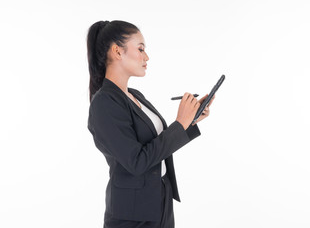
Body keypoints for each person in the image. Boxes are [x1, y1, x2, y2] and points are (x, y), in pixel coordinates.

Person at [86, 20, 214, 228]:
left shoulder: (135, 96)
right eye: (141, 49)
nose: (147, 57)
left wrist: (189, 121)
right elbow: (137, 162)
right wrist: (180, 124)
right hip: (133, 216)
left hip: (160, 203)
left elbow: (157, 144)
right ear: (117, 51)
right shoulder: (104, 103)